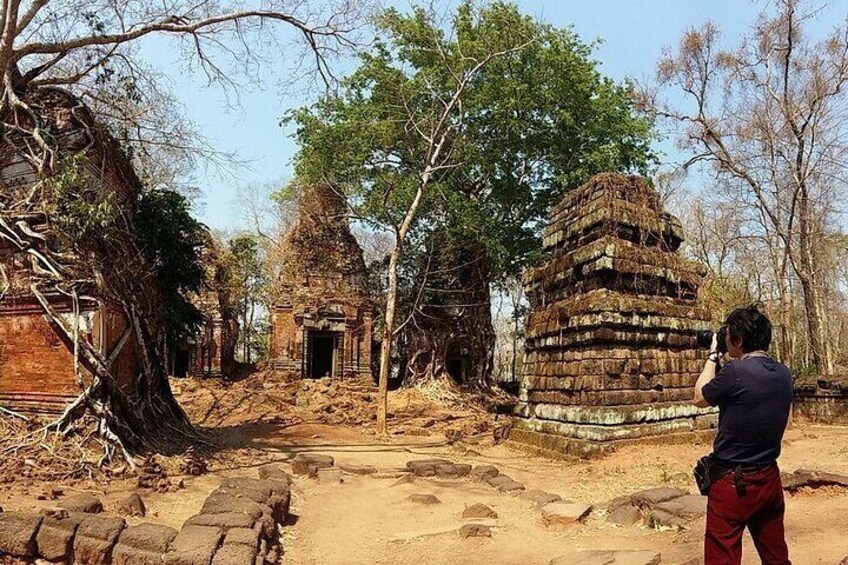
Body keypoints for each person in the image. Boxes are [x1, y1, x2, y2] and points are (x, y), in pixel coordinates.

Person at [693, 305, 793, 565]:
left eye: (728, 336)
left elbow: (699, 397)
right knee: (776, 555)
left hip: (733, 483)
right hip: (769, 478)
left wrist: (713, 355)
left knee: (721, 554)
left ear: (736, 340)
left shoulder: (734, 372)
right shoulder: (784, 374)